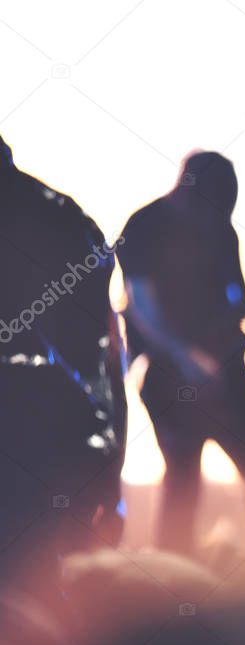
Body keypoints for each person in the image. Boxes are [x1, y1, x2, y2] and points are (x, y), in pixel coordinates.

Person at [118, 151, 245, 554]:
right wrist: (186, 359)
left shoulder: (221, 231)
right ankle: (173, 587)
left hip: (230, 377)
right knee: (183, 483)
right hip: (167, 380)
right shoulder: (144, 226)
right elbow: (140, 306)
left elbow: (238, 299)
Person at [0, 134, 127, 610]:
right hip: (56, 442)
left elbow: (104, 354)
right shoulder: (69, 220)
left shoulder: (65, 223)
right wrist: (111, 475)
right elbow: (105, 357)